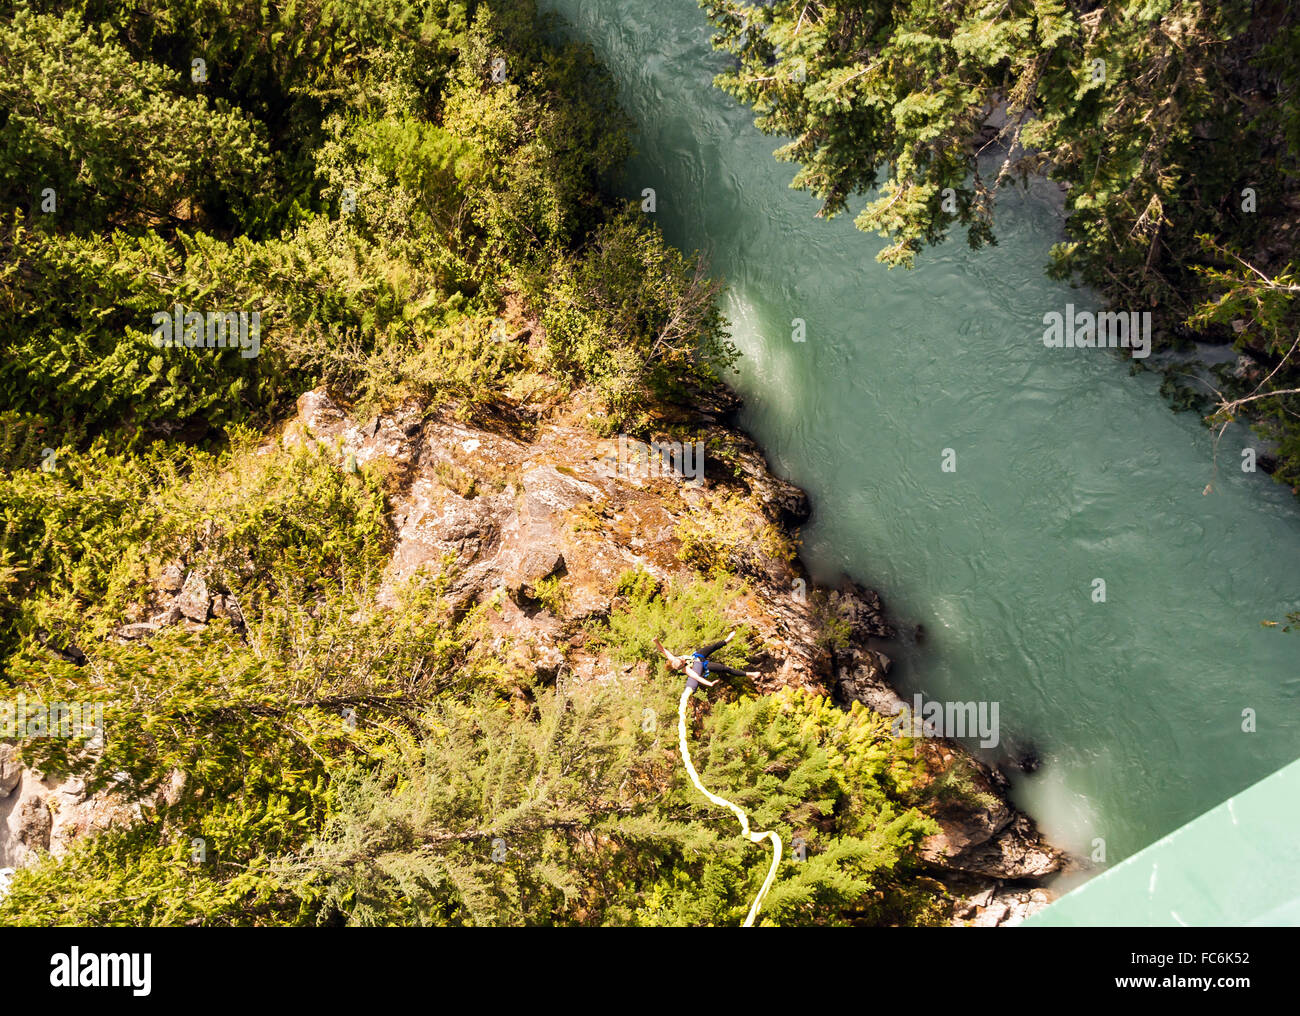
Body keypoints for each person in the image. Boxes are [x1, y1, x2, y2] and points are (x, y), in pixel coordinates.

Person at [653, 631, 760, 692]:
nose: (682, 658)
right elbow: (698, 678)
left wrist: (656, 641)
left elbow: (662, 650)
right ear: (682, 665)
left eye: (680, 658)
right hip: (702, 664)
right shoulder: (686, 670)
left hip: (697, 655)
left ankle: (728, 639)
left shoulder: (672, 659)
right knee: (725, 669)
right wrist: (710, 684)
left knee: (713, 647)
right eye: (682, 660)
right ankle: (749, 674)